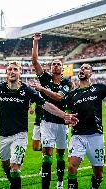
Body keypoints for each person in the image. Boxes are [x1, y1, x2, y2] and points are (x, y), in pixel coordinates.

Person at [0, 62, 78, 189]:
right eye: (9, 69)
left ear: (20, 73)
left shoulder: (27, 90)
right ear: (6, 72)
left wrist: (64, 115)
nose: (12, 71)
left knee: (15, 168)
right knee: (6, 165)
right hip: (3, 136)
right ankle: (12, 182)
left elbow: (46, 105)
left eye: (15, 69)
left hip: (20, 135)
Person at [65, 63, 106, 189]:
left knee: (98, 173)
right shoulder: (71, 95)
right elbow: (68, 115)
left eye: (86, 68)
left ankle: (94, 186)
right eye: (81, 68)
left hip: (96, 136)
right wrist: (68, 120)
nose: (83, 69)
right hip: (78, 135)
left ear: (91, 73)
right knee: (72, 168)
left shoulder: (98, 88)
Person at [31, 32, 72, 189]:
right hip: (46, 122)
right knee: (47, 156)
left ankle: (60, 183)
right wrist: (35, 41)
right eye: (53, 64)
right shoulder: (45, 78)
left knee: (61, 155)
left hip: (62, 123)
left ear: (62, 69)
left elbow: (59, 97)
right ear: (51, 67)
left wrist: (41, 89)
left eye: (58, 64)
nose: (56, 65)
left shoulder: (67, 82)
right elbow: (35, 62)